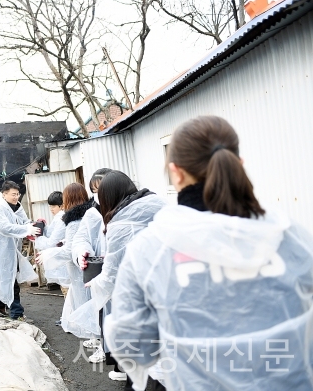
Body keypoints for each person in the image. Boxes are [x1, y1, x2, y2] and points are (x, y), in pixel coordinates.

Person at [105, 116, 313, 390]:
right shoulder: (289, 235)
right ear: (239, 165)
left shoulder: (151, 250)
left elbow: (135, 347)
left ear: (176, 172)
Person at [75, 171, 166, 386]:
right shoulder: (158, 204)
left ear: (109, 196)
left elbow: (111, 275)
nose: (97, 197)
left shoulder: (120, 222)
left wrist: (94, 283)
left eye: (100, 193)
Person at [37, 182, 94, 337]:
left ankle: (94, 338)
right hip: (90, 265)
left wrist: (48, 254)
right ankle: (94, 337)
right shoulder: (90, 214)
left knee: (84, 302)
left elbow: (70, 251)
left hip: (78, 267)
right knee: (90, 301)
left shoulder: (73, 221)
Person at [69, 168, 112, 364]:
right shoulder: (92, 213)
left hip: (118, 272)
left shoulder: (126, 210)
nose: (98, 194)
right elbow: (82, 238)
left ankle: (119, 356)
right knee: (103, 309)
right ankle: (107, 349)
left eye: (100, 188)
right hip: (100, 269)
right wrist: (82, 251)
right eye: (94, 190)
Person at [0, 180, 40, 321]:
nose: (16, 197)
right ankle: (17, 313)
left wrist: (32, 226)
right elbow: (5, 228)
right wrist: (26, 230)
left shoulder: (17, 207)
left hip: (13, 251)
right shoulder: (0, 210)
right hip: (3, 252)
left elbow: (24, 222)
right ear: (4, 194)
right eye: (13, 194)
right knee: (11, 281)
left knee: (9, 280)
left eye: (17, 194)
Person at [34, 191, 68, 297]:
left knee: (68, 291)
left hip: (64, 260)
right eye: (50, 206)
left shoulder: (62, 218)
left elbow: (51, 242)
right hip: (63, 260)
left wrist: (37, 237)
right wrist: (44, 226)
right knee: (66, 291)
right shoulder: (59, 217)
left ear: (61, 206)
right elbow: (51, 233)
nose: (51, 209)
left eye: (53, 206)